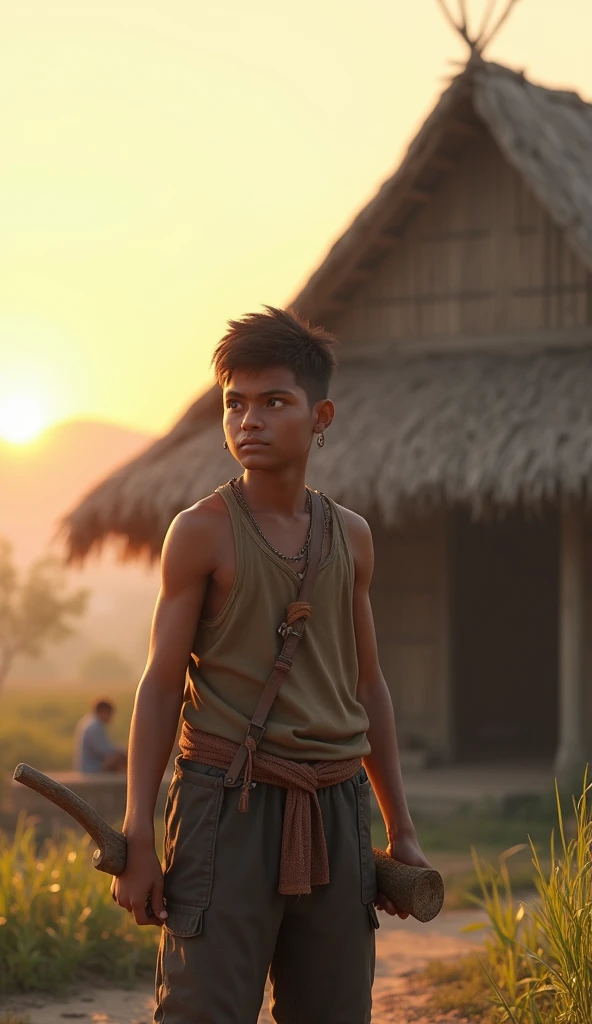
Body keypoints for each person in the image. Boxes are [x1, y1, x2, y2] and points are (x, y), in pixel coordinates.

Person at [112, 306, 430, 1024]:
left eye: (273, 402)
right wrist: (137, 832)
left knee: (333, 1011)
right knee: (203, 1010)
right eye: (235, 404)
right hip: (226, 806)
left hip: (337, 809)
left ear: (320, 416)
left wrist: (399, 826)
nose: (248, 420)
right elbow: (161, 686)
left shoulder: (352, 537)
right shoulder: (200, 533)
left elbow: (368, 685)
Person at [74, 699, 127, 773]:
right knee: (120, 756)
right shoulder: (94, 726)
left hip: (87, 766)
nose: (111, 718)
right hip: (91, 768)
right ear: (103, 712)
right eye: (110, 714)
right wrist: (122, 749)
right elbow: (103, 750)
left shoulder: (89, 721)